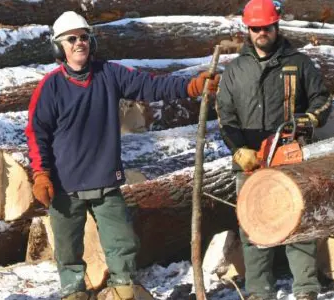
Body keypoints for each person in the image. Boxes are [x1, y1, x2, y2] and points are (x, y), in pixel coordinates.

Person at [25, 11, 220, 300]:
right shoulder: (50, 87)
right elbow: (35, 132)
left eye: (84, 37)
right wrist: (41, 174)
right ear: (58, 47)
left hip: (105, 179)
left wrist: (189, 86)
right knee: (67, 249)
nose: (79, 43)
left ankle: (123, 291)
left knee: (122, 243)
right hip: (65, 185)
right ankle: (73, 293)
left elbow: (151, 85)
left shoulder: (110, 74)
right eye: (71, 39)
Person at [215, 0, 332, 299]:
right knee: (254, 228)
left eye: (266, 27)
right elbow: (224, 117)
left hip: (291, 154)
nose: (261, 33)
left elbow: (323, 100)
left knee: (298, 223)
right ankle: (258, 291)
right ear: (248, 30)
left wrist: (309, 119)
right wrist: (238, 149)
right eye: (255, 28)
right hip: (251, 159)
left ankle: (305, 288)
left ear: (276, 25)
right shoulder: (235, 70)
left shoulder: (299, 63)